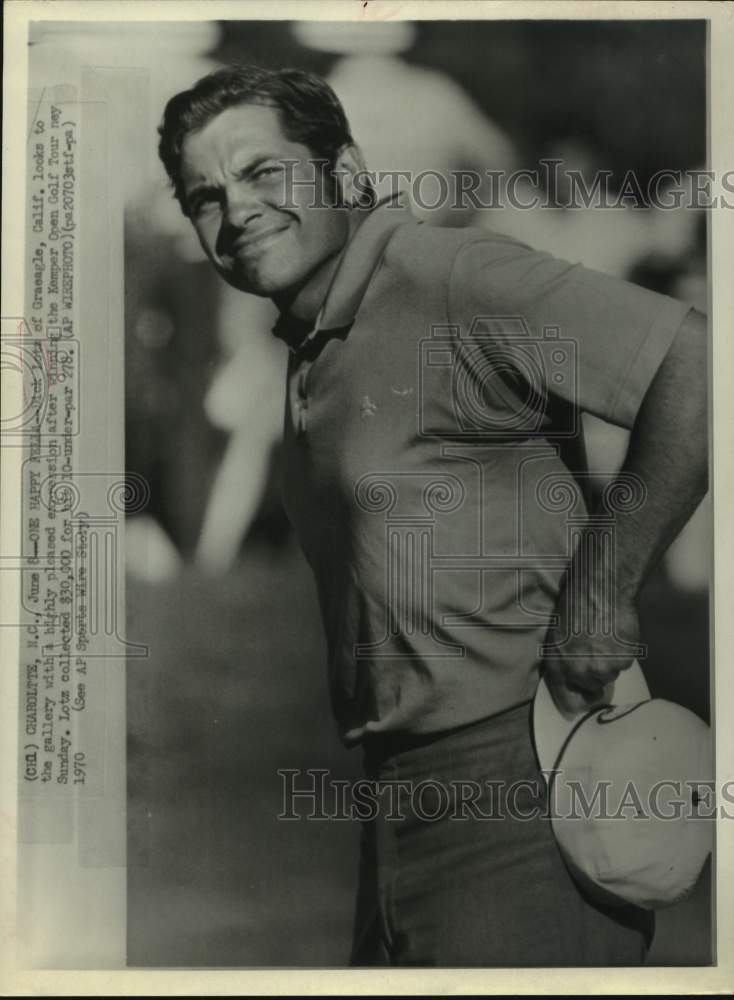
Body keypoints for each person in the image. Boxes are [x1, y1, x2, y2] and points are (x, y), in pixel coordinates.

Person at [157, 65, 708, 966]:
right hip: (391, 806)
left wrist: (604, 587)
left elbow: (697, 365)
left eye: (265, 173)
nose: (236, 210)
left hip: (524, 789)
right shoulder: (311, 343)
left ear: (349, 171)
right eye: (204, 196)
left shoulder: (451, 276)